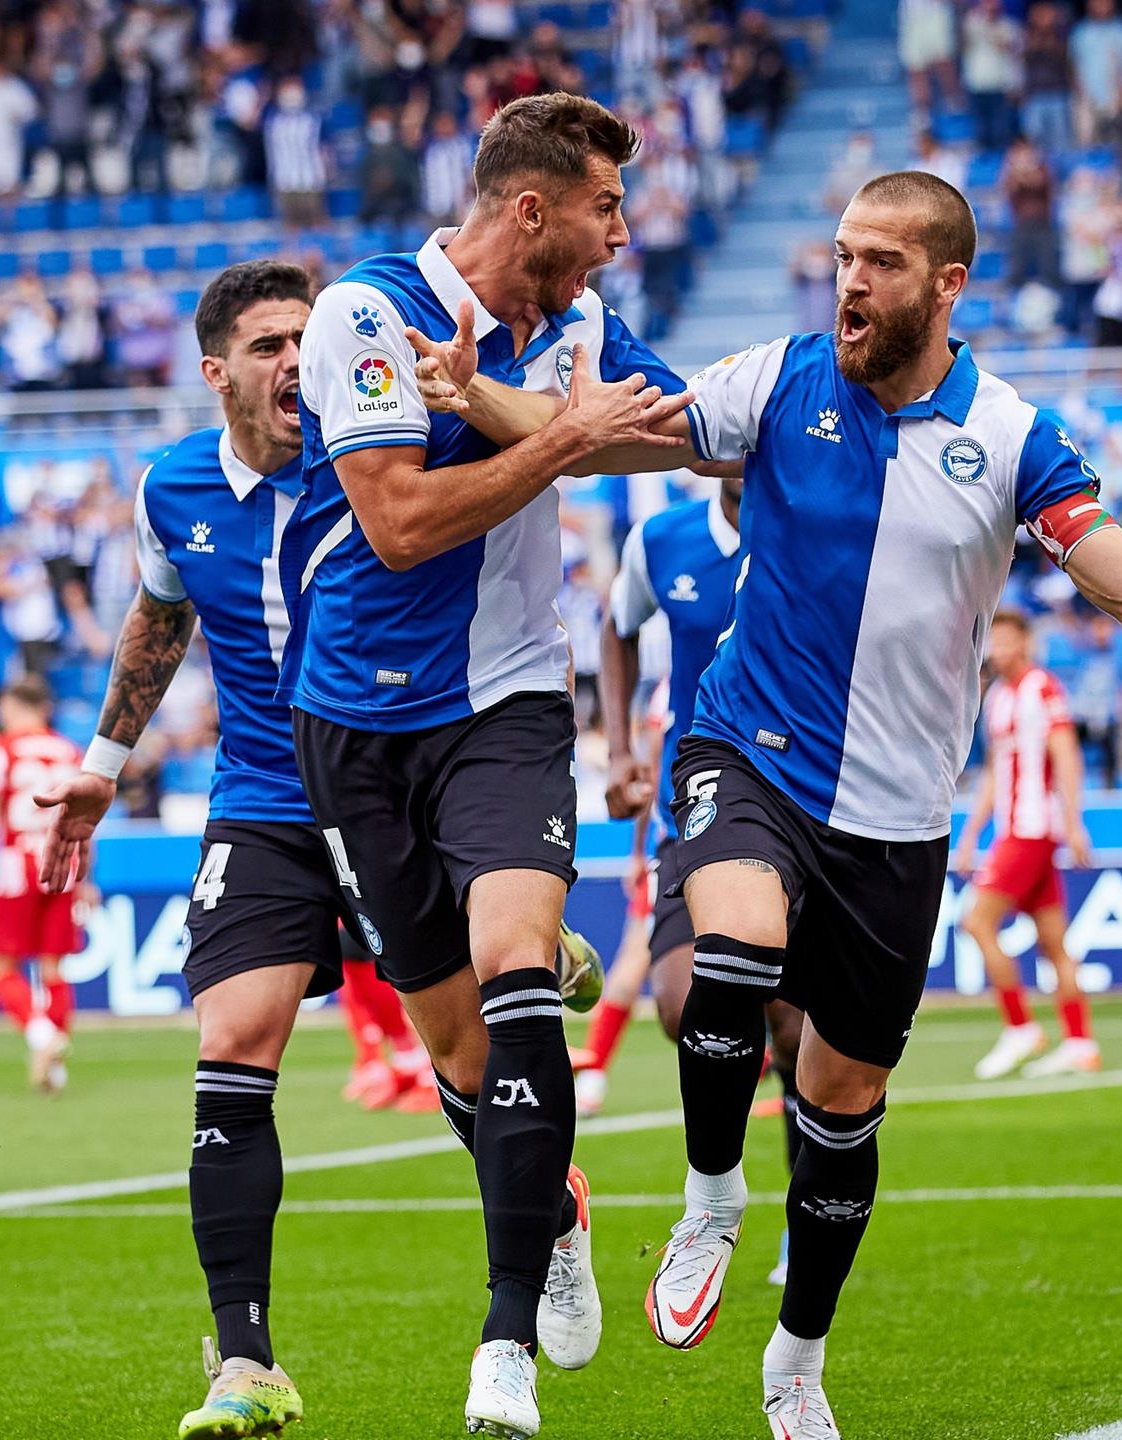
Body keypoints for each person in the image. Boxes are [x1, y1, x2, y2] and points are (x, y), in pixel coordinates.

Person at [417, 170, 1122, 1436]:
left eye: (882, 262)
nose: (850, 280)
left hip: (896, 821)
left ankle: (797, 1362)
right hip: (748, 750)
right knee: (728, 951)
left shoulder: (1011, 439)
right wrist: (480, 397)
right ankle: (712, 1196)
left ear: (948, 285)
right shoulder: (779, 381)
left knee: (843, 1107)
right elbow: (615, 438)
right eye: (843, 254)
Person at [30, 261, 604, 1438]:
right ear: (217, 373)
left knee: (461, 1061)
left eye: (306, 337)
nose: (297, 361)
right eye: (268, 345)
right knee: (232, 1040)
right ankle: (246, 1364)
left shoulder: (381, 445)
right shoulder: (174, 489)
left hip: (404, 774)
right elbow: (158, 614)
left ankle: (546, 1203)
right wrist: (102, 758)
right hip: (266, 799)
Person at [279, 95, 695, 1439]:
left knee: (524, 971)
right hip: (353, 720)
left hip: (509, 703)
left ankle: (504, 1335)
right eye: (605, 210)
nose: (619, 237)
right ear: (534, 210)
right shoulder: (364, 312)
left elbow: (670, 430)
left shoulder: (579, 328)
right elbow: (397, 523)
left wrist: (546, 414)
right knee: (457, 1050)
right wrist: (564, 435)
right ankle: (554, 1204)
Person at [576, 473, 769, 1120]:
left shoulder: (816, 522)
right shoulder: (663, 540)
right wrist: (624, 754)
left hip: (798, 794)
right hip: (694, 803)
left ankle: (776, 1200)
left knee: (804, 1030)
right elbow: (617, 627)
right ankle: (713, 1204)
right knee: (681, 1007)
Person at [955, 610, 1099, 1080]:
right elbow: (997, 771)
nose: (997, 649)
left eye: (1006, 640)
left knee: (976, 921)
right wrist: (973, 834)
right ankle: (1080, 1043)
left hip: (1033, 830)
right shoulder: (997, 696)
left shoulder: (1042, 687)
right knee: (1054, 943)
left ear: (1025, 643)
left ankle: (1021, 1027)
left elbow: (1066, 753)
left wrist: (1074, 822)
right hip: (1012, 829)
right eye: (992, 641)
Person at [0, 676, 87, 1093]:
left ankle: (41, 1036)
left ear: (14, 705)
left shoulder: (0, 750)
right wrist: (88, 877)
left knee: (1, 968)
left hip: (17, 866)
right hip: (63, 863)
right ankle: (54, 1069)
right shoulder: (69, 751)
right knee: (54, 968)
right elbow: (89, 820)